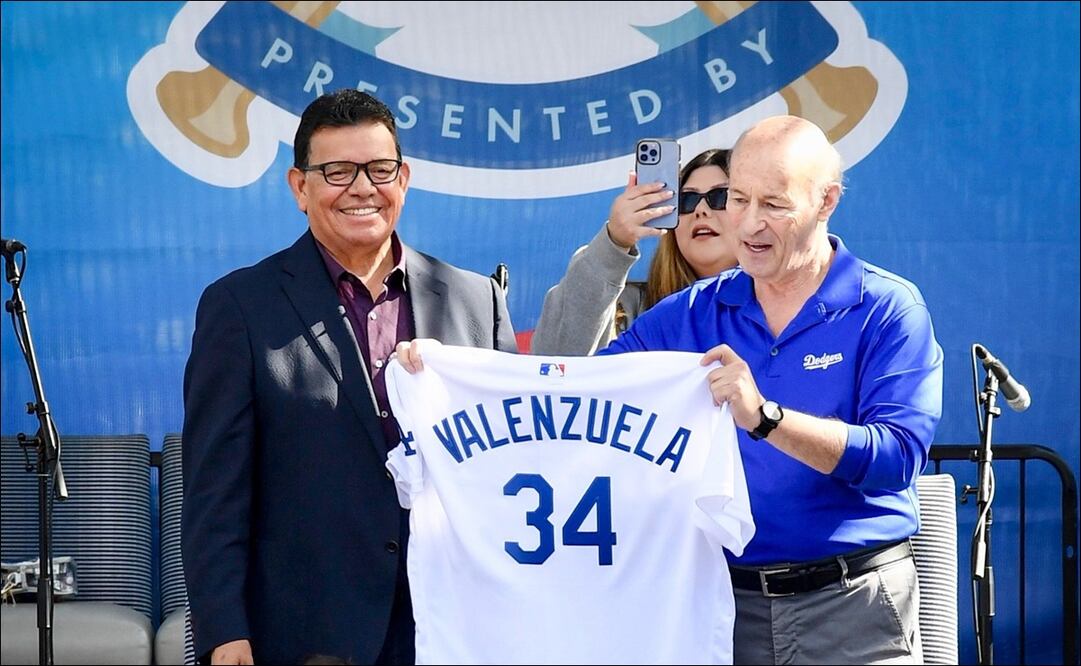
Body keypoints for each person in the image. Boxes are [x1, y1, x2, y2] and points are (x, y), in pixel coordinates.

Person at [181, 89, 516, 665]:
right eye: (337, 171)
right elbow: (215, 492)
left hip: (456, 624)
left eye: (379, 169)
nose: (363, 188)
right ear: (299, 187)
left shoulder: (476, 299)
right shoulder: (240, 306)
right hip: (307, 631)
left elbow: (515, 463)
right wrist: (223, 629)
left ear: (403, 179)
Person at [599, 115, 943, 664]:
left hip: (852, 608)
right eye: (738, 199)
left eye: (775, 205)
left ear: (826, 201)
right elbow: (588, 393)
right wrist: (437, 367)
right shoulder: (693, 310)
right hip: (721, 608)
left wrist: (766, 417)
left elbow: (897, 457)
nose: (749, 224)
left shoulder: (887, 308)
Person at [531, 148, 735, 355]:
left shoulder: (767, 314)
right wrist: (615, 241)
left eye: (721, 197)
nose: (701, 210)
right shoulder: (627, 308)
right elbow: (555, 363)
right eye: (687, 200)